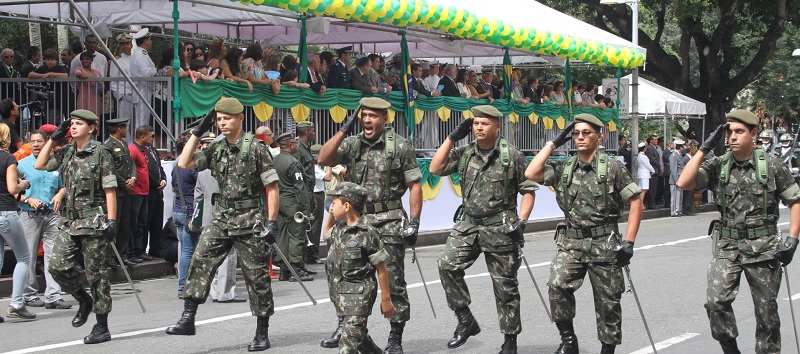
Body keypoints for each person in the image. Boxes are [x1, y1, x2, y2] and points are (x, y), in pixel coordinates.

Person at [677, 110, 800, 354]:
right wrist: (703, 149)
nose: (732, 137)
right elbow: (684, 182)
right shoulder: (719, 165)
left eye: (739, 131)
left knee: (766, 311)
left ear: (754, 134)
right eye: (729, 132)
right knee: (715, 302)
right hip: (727, 247)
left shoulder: (772, 165)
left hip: (763, 247)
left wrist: (793, 239)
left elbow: (795, 200)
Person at [166, 98, 280, 352]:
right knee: (200, 261)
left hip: (250, 218)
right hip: (222, 216)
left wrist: (271, 222)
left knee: (257, 277)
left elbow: (272, 187)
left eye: (226, 118)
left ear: (240, 118)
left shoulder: (256, 149)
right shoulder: (216, 148)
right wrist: (197, 132)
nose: (222, 123)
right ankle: (188, 318)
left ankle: (262, 332)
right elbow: (184, 164)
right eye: (218, 119)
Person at [524, 114, 643, 354]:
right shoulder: (563, 167)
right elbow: (531, 173)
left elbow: (636, 202)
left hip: (604, 242)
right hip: (572, 242)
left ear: (600, 136)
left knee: (608, 301)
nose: (580, 137)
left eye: (586, 132)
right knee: (557, 285)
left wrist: (629, 242)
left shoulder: (613, 167)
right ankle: (568, 340)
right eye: (576, 133)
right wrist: (553, 143)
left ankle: (607, 350)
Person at [428, 105, 538, 353]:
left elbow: (528, 191)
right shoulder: (465, 152)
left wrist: (521, 221)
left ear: (497, 127)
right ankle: (465, 319)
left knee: (505, 288)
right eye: (475, 123)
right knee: (446, 265)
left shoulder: (512, 155)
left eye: (484, 123)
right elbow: (435, 168)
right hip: (468, 225)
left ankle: (510, 342)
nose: (478, 127)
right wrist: (452, 137)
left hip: (500, 228)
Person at [317, 97, 422, 353]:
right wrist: (344, 128)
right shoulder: (353, 144)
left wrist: (415, 222)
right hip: (357, 221)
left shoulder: (399, 146)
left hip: (389, 219)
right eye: (363, 115)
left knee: (394, 282)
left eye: (372, 116)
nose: (366, 120)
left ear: (384, 119)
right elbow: (323, 158)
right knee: (346, 277)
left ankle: (395, 337)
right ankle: (347, 327)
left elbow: (415, 185)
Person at [34, 109, 118, 344]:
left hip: (94, 221)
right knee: (57, 266)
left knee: (96, 275)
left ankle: (102, 326)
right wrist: (53, 138)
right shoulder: (68, 151)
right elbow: (40, 165)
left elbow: (110, 189)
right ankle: (83, 299)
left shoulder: (101, 153)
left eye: (79, 124)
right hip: (70, 221)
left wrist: (112, 220)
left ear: (91, 128)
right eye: (71, 124)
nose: (73, 127)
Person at [325, 182, 395, 353]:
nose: (331, 207)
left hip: (360, 296)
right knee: (360, 338)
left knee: (347, 344)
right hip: (341, 295)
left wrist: (386, 300)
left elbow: (381, 269)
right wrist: (331, 214)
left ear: (347, 206)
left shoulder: (367, 233)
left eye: (334, 203)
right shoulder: (339, 229)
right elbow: (326, 233)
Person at [19, 129, 70, 309]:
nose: (35, 145)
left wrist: (60, 194)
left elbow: (65, 186)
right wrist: (27, 199)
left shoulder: (56, 163)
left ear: (46, 142)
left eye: (39, 141)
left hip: (52, 214)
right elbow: (12, 190)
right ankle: (29, 294)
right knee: (29, 256)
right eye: (32, 141)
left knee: (53, 255)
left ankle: (53, 295)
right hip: (29, 214)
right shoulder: (21, 165)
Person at [194, 132, 246, 303]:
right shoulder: (228, 168)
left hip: (208, 217)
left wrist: (200, 220)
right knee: (229, 255)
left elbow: (198, 198)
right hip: (226, 215)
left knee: (213, 255)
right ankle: (225, 291)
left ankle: (215, 290)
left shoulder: (202, 171)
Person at [0, 123, 35, 322]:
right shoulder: (8, 158)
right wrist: (24, 183)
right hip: (5, 211)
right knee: (23, 257)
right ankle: (16, 303)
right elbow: (13, 189)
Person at [273, 132, 313, 282]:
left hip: (278, 202)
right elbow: (300, 187)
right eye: (295, 143)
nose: (297, 145)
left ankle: (284, 269)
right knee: (297, 235)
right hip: (292, 202)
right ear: (290, 145)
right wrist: (306, 209)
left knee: (282, 235)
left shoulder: (274, 160)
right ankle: (296, 268)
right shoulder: (293, 162)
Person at [103, 118, 136, 267]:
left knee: (125, 224)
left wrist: (133, 178)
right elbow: (111, 169)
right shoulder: (108, 146)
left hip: (127, 191)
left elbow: (131, 163)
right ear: (118, 129)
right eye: (124, 127)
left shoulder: (124, 145)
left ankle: (122, 255)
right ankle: (110, 257)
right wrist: (124, 183)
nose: (126, 130)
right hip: (116, 191)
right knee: (114, 225)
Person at [172, 136, 199, 297]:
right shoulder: (190, 165)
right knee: (189, 251)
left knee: (184, 250)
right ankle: (183, 287)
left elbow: (174, 187)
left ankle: (183, 284)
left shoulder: (176, 165)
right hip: (189, 211)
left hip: (177, 210)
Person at [294, 121, 319, 264]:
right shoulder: (298, 149)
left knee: (306, 225)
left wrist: (312, 196)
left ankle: (304, 259)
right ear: (307, 132)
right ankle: (299, 261)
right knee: (301, 227)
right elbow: (298, 174)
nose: (314, 134)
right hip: (302, 192)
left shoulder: (305, 148)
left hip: (309, 192)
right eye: (313, 131)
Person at [128, 127, 152, 263]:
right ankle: (132, 253)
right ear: (142, 137)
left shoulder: (144, 151)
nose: (152, 139)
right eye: (150, 136)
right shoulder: (133, 150)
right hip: (135, 193)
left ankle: (140, 250)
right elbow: (129, 169)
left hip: (143, 192)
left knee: (141, 224)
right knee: (134, 224)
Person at [130, 29, 157, 128]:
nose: (151, 41)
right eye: (150, 39)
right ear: (145, 41)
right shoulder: (141, 54)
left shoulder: (138, 53)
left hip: (142, 89)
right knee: (142, 120)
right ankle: (141, 142)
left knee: (141, 119)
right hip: (143, 90)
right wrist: (156, 70)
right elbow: (147, 73)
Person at [109, 34, 135, 125]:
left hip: (138, 95)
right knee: (125, 122)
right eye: (122, 44)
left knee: (138, 122)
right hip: (124, 95)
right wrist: (119, 95)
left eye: (127, 44)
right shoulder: (117, 62)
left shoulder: (136, 59)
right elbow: (113, 81)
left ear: (131, 45)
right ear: (120, 46)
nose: (125, 46)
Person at [308, 144, 326, 265]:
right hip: (316, 195)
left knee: (314, 226)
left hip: (317, 194)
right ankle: (313, 254)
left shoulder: (315, 167)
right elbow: (328, 177)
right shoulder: (314, 168)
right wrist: (329, 164)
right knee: (315, 226)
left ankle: (312, 252)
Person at [75, 52, 103, 118]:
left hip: (95, 97)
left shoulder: (97, 72)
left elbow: (101, 85)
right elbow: (79, 74)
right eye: (82, 59)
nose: (84, 60)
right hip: (83, 98)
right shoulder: (79, 69)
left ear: (91, 60)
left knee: (95, 118)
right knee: (83, 118)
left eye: (87, 58)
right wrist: (92, 77)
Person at [669, 139, 686, 217]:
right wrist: (676, 180)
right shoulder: (673, 155)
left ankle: (678, 210)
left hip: (680, 178)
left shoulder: (679, 155)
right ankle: (674, 211)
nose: (684, 148)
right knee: (675, 195)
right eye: (683, 146)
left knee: (679, 196)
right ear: (680, 147)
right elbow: (673, 169)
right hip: (675, 179)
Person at [636, 142, 655, 209]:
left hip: (641, 173)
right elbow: (648, 165)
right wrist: (653, 170)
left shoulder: (639, 155)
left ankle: (641, 203)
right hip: (644, 174)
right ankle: (641, 204)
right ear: (644, 148)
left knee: (642, 190)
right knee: (644, 190)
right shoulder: (643, 156)